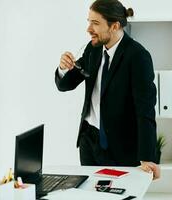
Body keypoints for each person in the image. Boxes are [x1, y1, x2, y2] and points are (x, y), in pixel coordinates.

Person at [55, 0, 160, 179]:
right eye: (89, 21)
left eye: (95, 23)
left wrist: (147, 157)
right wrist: (64, 68)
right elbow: (66, 85)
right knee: (90, 194)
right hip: (89, 140)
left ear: (115, 26)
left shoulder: (138, 56)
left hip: (120, 147)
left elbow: (145, 110)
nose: (88, 29)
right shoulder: (93, 48)